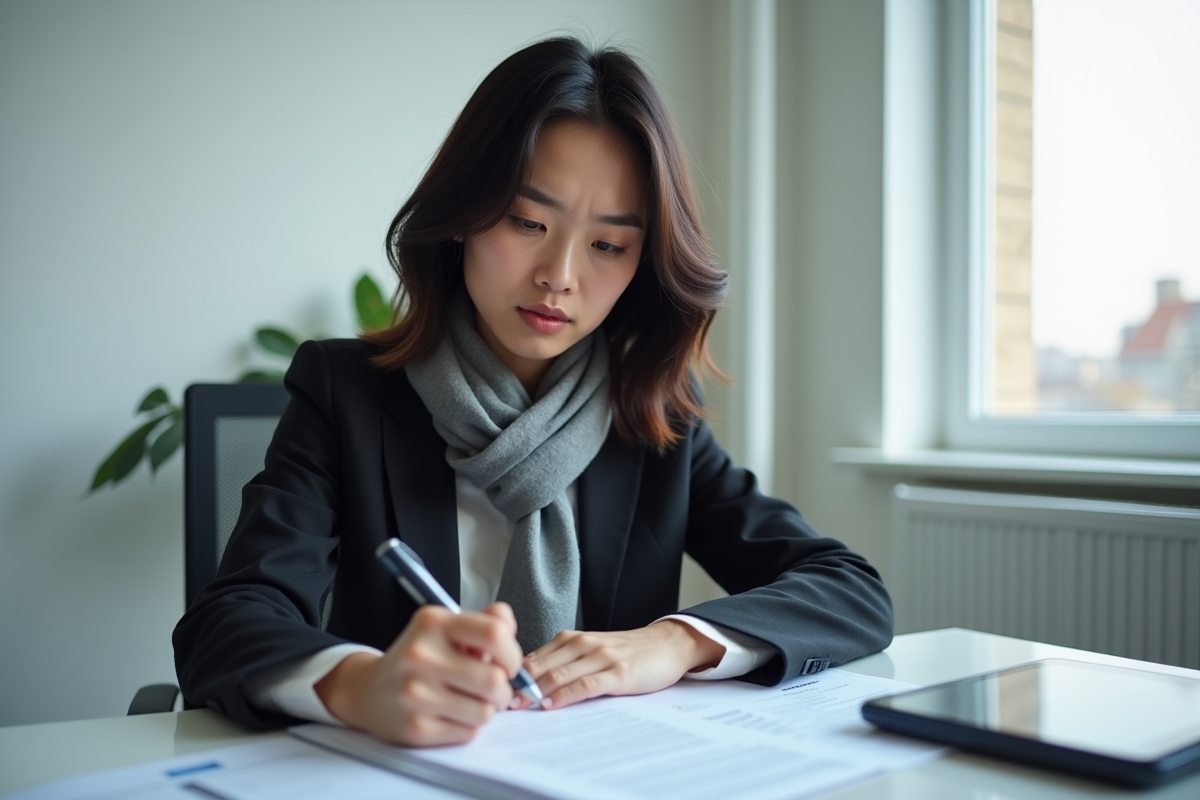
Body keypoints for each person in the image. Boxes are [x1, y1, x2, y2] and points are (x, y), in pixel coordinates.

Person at [173, 36, 893, 748]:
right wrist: (362, 684)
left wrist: (675, 643)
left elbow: (849, 589)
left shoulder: (653, 417)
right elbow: (227, 622)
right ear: (462, 215)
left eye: (608, 245)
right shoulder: (346, 394)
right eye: (527, 221)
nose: (560, 275)